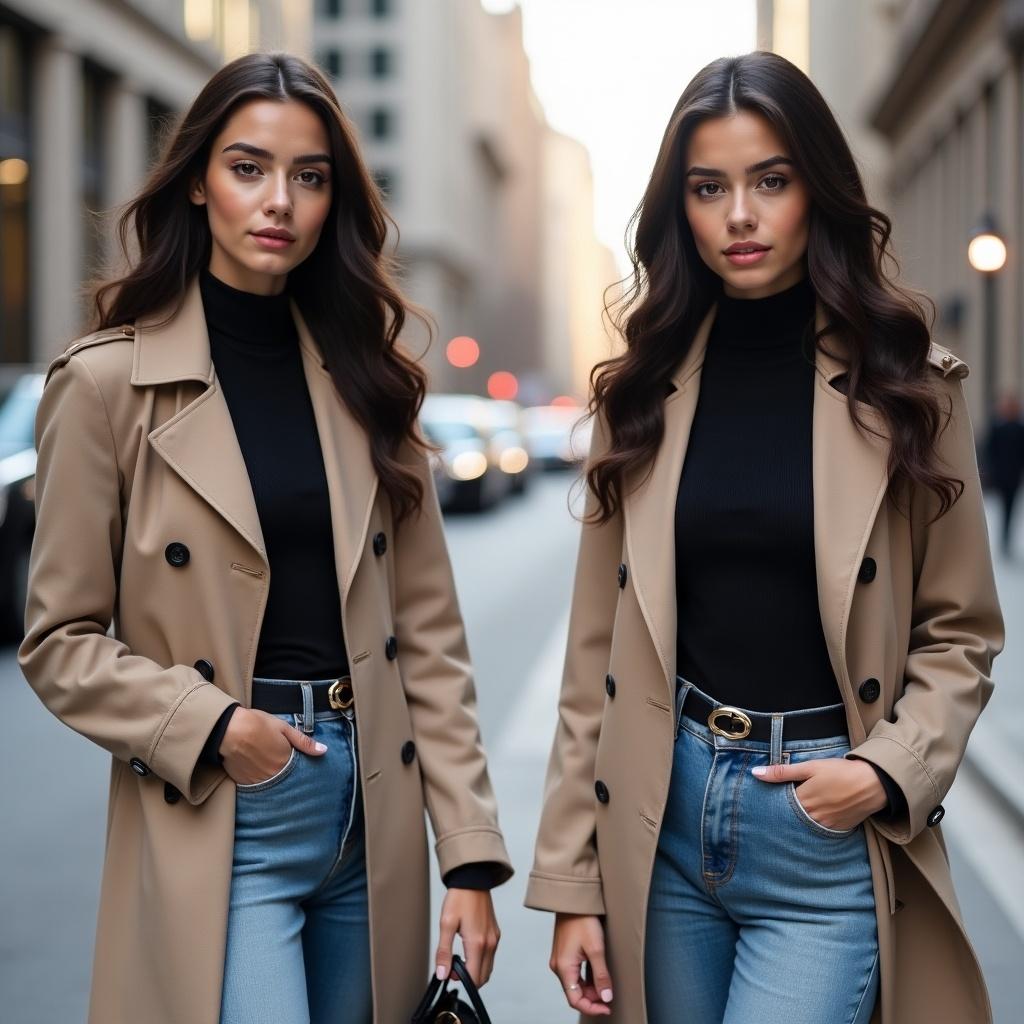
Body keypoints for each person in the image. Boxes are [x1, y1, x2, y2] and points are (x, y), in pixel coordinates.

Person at [20, 52, 511, 1024]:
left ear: (335, 199)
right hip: (225, 801)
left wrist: (466, 851)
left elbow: (430, 642)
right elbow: (59, 642)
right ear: (198, 181)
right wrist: (213, 726)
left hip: (370, 811)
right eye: (248, 167)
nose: (278, 199)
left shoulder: (366, 381)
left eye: (310, 175)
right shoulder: (107, 384)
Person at [525, 51, 1003, 1024]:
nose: (738, 215)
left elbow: (960, 633)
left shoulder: (909, 387)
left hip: (819, 829)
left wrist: (882, 770)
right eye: (709, 188)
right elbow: (594, 667)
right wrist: (572, 883)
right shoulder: (639, 396)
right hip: (662, 812)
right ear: (680, 208)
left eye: (769, 181)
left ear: (814, 192)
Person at [983, 392, 1024, 555]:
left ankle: (1006, 538)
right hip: (1000, 475)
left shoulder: (1020, 428)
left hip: (1013, 476)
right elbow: (989, 451)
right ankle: (1002, 538)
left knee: (1011, 508)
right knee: (1001, 507)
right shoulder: (996, 427)